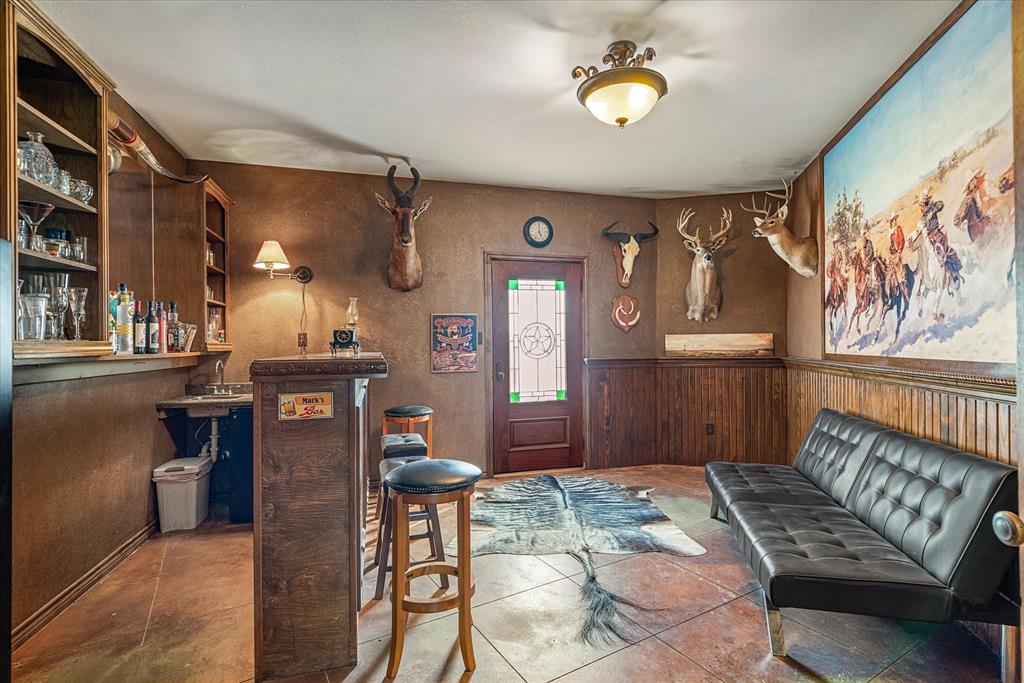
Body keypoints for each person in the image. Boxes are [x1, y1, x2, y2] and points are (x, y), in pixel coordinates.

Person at [919, 188, 963, 292]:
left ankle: (954, 275)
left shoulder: (933, 208)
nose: (920, 207)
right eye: (920, 205)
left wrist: (932, 209)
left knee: (945, 253)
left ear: (925, 203)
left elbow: (941, 204)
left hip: (938, 236)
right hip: (929, 239)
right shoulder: (923, 217)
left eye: (922, 204)